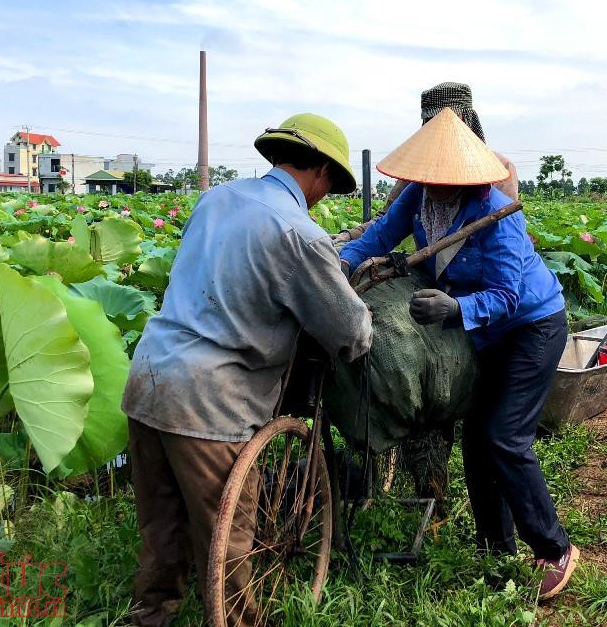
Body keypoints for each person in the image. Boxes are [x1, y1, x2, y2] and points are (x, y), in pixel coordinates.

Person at [121, 113, 373, 627]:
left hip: (149, 375)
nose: (326, 195)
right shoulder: (298, 231)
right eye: (331, 184)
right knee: (229, 542)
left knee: (162, 524)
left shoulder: (216, 199)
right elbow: (351, 332)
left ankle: (149, 615)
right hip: (211, 398)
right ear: (321, 172)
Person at [339, 108, 578, 601]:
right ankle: (497, 549)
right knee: (475, 439)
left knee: (504, 436)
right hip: (485, 335)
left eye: (445, 179)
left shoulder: (497, 215)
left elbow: (508, 297)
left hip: (531, 327)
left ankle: (554, 547)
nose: (435, 186)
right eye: (428, 177)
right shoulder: (417, 198)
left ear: (467, 176)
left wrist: (455, 307)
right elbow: (380, 236)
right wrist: (342, 262)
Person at [334, 81, 517, 244]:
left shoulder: (500, 170)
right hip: (430, 270)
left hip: (481, 275)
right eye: (433, 122)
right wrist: (350, 235)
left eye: (450, 122)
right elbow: (387, 222)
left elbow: (505, 239)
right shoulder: (418, 170)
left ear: (466, 122)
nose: (442, 130)